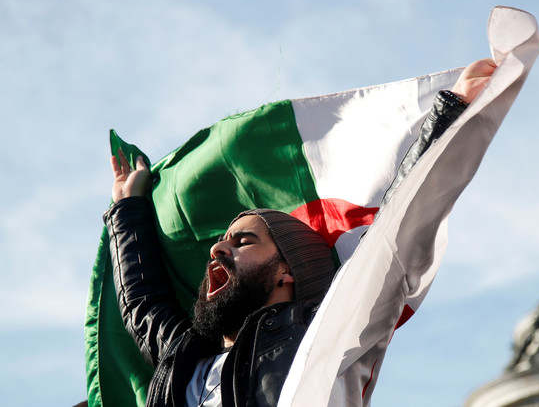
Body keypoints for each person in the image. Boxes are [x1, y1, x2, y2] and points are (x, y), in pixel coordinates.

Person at [105, 59, 496, 407]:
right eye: (222, 240)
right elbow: (143, 303)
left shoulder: (327, 330)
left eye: (243, 241)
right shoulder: (181, 359)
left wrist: (452, 112)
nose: (218, 249)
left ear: (285, 272)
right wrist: (126, 208)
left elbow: (394, 232)